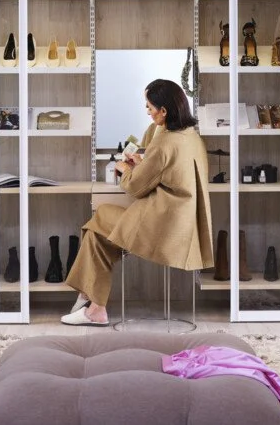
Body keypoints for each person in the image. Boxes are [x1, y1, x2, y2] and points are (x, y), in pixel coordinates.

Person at [62, 79, 214, 325]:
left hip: (162, 226)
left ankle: (91, 300)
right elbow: (171, 173)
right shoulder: (191, 137)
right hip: (182, 225)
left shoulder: (165, 142)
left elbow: (136, 187)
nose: (147, 111)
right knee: (98, 237)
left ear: (164, 111)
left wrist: (124, 168)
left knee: (98, 219)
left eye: (149, 106)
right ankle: (93, 305)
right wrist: (144, 164)